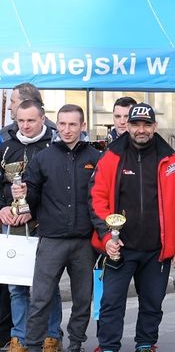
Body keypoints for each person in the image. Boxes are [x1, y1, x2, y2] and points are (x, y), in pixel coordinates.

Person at [89, 102, 175, 352]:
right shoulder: (111, 157)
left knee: (152, 303)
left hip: (157, 249)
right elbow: (96, 199)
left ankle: (146, 344)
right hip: (119, 248)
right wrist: (107, 238)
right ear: (128, 126)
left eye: (147, 124)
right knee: (111, 302)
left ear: (154, 126)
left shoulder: (172, 160)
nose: (141, 129)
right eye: (136, 124)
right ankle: (108, 346)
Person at [11, 104, 100, 352]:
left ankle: (75, 346)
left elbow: (102, 200)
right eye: (62, 124)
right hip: (50, 241)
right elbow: (32, 197)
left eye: (73, 124)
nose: (67, 129)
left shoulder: (96, 158)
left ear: (82, 126)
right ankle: (34, 345)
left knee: (83, 301)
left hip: (84, 243)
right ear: (56, 124)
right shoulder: (43, 158)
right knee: (39, 300)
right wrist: (23, 195)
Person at [0, 100, 63, 352]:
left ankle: (51, 336)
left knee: (48, 284)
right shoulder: (5, 148)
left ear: (42, 119)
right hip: (12, 226)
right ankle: (20, 337)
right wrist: (3, 208)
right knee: (16, 286)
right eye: (20, 121)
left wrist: (33, 212)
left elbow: (59, 189)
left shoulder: (55, 146)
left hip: (44, 225)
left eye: (31, 120)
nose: (25, 126)